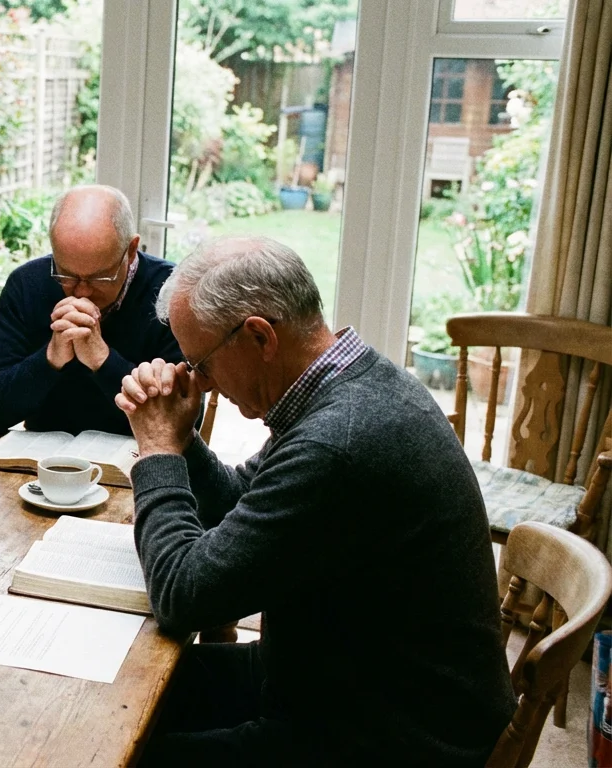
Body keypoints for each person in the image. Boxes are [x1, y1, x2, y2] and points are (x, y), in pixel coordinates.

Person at [115, 236, 515, 765]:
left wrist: (158, 453)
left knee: (127, 748)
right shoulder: (351, 380)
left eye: (203, 364)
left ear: (260, 337)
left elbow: (185, 596)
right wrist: (184, 440)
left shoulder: (338, 441)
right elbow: (242, 497)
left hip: (396, 735)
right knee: (124, 687)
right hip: (342, 675)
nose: (202, 385)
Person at [0, 185, 183, 436]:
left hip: (139, 459)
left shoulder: (173, 291)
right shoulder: (26, 284)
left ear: (131, 250)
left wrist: (101, 360)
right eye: (67, 275)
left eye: (100, 278)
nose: (82, 292)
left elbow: (181, 419)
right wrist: (50, 358)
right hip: (44, 461)